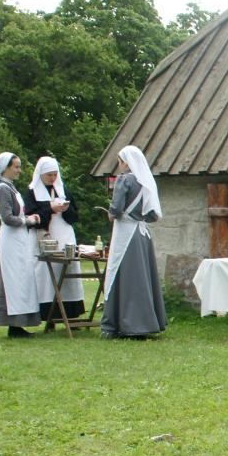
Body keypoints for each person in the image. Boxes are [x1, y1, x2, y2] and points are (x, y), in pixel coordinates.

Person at [103, 145, 166, 338]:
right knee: (142, 277)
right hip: (141, 234)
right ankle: (145, 321)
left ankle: (124, 323)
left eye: (120, 161)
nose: (119, 165)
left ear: (126, 162)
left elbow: (116, 209)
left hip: (126, 233)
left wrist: (111, 214)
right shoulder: (146, 182)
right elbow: (153, 215)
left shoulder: (124, 181)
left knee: (125, 276)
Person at [0, 152, 41, 338]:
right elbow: (8, 218)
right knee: (13, 282)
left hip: (18, 239)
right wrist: (28, 220)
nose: (19, 170)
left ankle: (18, 325)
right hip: (10, 240)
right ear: (5, 168)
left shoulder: (11, 188)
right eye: (16, 166)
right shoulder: (2, 189)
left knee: (22, 281)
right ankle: (14, 325)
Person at [24, 156, 85, 321]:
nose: (52, 178)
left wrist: (65, 209)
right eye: (49, 175)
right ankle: (46, 314)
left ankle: (70, 313)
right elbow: (31, 217)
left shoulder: (63, 190)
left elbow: (74, 216)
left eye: (55, 174)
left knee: (67, 274)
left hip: (64, 236)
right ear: (41, 175)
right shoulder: (31, 193)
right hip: (44, 237)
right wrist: (50, 208)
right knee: (44, 276)